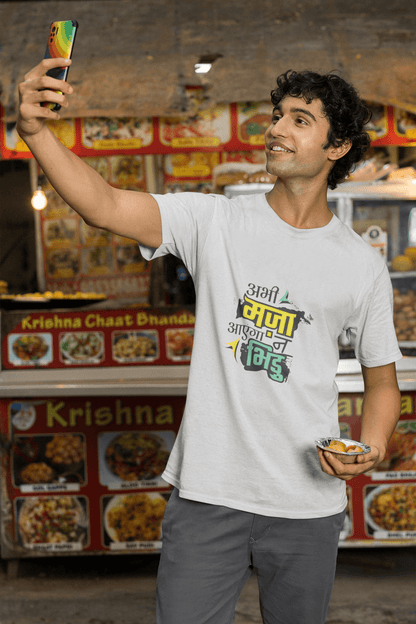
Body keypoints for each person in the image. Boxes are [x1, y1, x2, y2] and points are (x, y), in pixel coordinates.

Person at [17, 60, 402, 624]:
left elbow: (382, 381)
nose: (276, 129)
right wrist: (35, 132)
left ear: (337, 146)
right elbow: (102, 204)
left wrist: (371, 445)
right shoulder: (214, 221)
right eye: (276, 116)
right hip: (208, 495)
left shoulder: (361, 266)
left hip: (305, 504)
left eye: (300, 120)